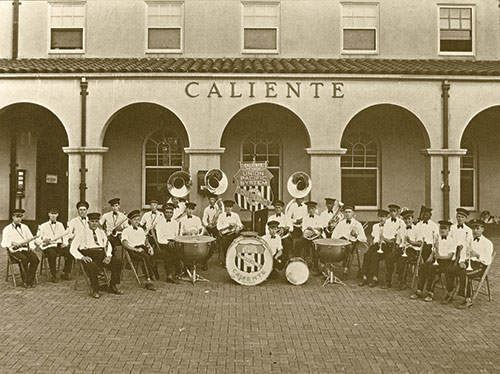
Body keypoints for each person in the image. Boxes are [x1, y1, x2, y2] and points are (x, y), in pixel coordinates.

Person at [70, 212, 123, 299]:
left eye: (96, 221)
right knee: (93, 266)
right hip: (88, 255)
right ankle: (95, 289)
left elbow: (107, 245)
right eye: (92, 221)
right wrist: (82, 257)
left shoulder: (101, 232)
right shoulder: (81, 233)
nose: (94, 223)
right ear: (88, 222)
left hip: (101, 255)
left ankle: (112, 286)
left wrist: (108, 256)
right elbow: (72, 249)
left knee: (117, 262)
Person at [444, 219, 494, 309]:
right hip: (468, 264)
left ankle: (468, 299)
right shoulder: (469, 240)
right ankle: (450, 291)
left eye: (477, 228)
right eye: (473, 228)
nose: (475, 231)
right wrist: (462, 261)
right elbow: (463, 253)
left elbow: (487, 260)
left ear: (482, 229)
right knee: (450, 270)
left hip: (479, 266)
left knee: (464, 274)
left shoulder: (487, 243)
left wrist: (477, 255)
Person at [410, 220, 456, 302]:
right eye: (441, 228)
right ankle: (419, 290)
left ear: (449, 230)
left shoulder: (452, 241)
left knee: (432, 269)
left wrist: (440, 257)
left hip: (445, 262)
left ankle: (430, 293)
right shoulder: (437, 239)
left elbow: (450, 256)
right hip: (436, 260)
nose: (443, 230)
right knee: (423, 267)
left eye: (445, 229)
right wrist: (429, 258)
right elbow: (433, 251)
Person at [1, 208, 39, 288]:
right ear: (13, 217)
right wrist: (11, 243)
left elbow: (31, 238)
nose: (19, 219)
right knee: (24, 259)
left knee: (35, 259)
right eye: (17, 216)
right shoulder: (7, 229)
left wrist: (32, 247)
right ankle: (26, 281)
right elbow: (3, 243)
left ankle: (29, 280)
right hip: (14, 251)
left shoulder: (25, 227)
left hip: (25, 249)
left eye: (20, 217)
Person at [359, 209, 397, 287]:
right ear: (378, 217)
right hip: (376, 245)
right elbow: (373, 237)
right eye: (380, 217)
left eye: (383, 217)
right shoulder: (375, 226)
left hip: (386, 247)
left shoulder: (391, 227)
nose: (381, 219)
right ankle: (365, 277)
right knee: (367, 254)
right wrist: (372, 243)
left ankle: (374, 278)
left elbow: (392, 242)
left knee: (375, 256)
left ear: (387, 217)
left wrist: (384, 239)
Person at [121, 210, 157, 291]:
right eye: (135, 219)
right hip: (133, 250)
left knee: (153, 254)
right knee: (145, 257)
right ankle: (148, 280)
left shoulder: (140, 229)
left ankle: (152, 274)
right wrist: (136, 249)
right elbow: (125, 244)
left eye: (138, 219)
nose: (137, 221)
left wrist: (149, 247)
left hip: (142, 248)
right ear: (130, 220)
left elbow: (145, 240)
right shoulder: (126, 230)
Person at [36, 208, 73, 282]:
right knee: (52, 254)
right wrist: (43, 241)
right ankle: (54, 275)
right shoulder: (43, 225)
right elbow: (37, 238)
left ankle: (65, 272)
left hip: (58, 245)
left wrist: (65, 243)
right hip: (48, 246)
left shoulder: (60, 224)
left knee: (70, 253)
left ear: (57, 215)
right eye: (52, 213)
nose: (53, 215)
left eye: (55, 214)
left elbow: (64, 236)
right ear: (49, 214)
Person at [332, 205, 367, 278]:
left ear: (353, 213)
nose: (347, 214)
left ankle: (345, 270)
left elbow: (364, 239)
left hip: (351, 243)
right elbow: (334, 235)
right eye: (346, 212)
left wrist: (356, 235)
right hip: (340, 243)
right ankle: (329, 268)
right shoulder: (340, 223)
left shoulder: (357, 224)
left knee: (348, 249)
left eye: (349, 212)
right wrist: (339, 239)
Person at [394, 210, 422, 290]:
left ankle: (402, 282)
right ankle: (388, 281)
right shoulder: (401, 229)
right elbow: (398, 242)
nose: (407, 221)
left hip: (413, 250)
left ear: (412, 219)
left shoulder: (417, 229)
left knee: (402, 260)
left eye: (409, 219)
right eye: (405, 219)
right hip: (403, 248)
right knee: (390, 257)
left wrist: (411, 242)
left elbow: (420, 243)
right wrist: (399, 248)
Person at [155, 204, 181, 283]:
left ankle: (176, 272)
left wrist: (173, 241)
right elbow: (159, 239)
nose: (169, 214)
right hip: (163, 243)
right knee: (171, 252)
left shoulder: (175, 223)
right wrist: (168, 242)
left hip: (173, 242)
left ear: (173, 213)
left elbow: (176, 236)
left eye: (171, 212)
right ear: (164, 213)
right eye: (167, 212)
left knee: (178, 250)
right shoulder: (159, 223)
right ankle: (172, 273)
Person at [295, 201, 323, 272]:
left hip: (315, 237)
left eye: (312, 208)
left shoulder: (319, 218)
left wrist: (313, 229)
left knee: (315, 246)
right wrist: (307, 231)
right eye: (309, 208)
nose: (310, 210)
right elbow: (304, 229)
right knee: (298, 243)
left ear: (315, 209)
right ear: (307, 209)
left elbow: (320, 228)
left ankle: (315, 264)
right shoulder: (305, 218)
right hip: (307, 237)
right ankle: (298, 261)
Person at [217, 200, 243, 264]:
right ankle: (227, 260)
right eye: (227, 207)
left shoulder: (236, 215)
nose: (229, 209)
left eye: (230, 207)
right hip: (225, 235)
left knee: (239, 242)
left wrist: (238, 229)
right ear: (225, 207)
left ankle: (236, 259)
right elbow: (219, 227)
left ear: (232, 208)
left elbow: (241, 225)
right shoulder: (221, 216)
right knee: (225, 243)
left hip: (234, 234)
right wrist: (228, 226)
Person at [202, 194, 221, 268]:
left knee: (220, 240)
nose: (211, 201)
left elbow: (221, 217)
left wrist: (217, 223)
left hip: (217, 226)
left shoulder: (219, 208)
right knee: (207, 243)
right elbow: (204, 218)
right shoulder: (206, 209)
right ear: (208, 200)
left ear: (215, 200)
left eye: (213, 199)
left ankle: (221, 259)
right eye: (210, 199)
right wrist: (207, 225)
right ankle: (205, 261)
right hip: (210, 227)